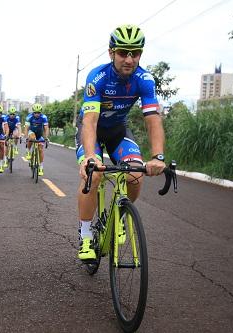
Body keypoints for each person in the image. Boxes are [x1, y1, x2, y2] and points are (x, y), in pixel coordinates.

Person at [75, 24, 166, 261]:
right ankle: (84, 236)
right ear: (111, 53)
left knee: (135, 174)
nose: (129, 59)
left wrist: (158, 156)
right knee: (93, 174)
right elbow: (90, 120)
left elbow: (153, 119)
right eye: (123, 52)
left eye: (134, 53)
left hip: (118, 131)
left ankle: (121, 214)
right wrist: (90, 156)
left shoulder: (144, 79)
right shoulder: (98, 77)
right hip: (91, 130)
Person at [24, 103, 49, 176]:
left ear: (40, 112)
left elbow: (46, 128)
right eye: (35, 112)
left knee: (40, 149)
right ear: (33, 112)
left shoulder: (44, 117)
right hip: (31, 132)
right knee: (32, 137)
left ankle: (41, 167)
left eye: (38, 113)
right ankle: (28, 151)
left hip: (39, 135)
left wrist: (46, 138)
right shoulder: (29, 117)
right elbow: (26, 128)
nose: (37, 114)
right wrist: (26, 137)